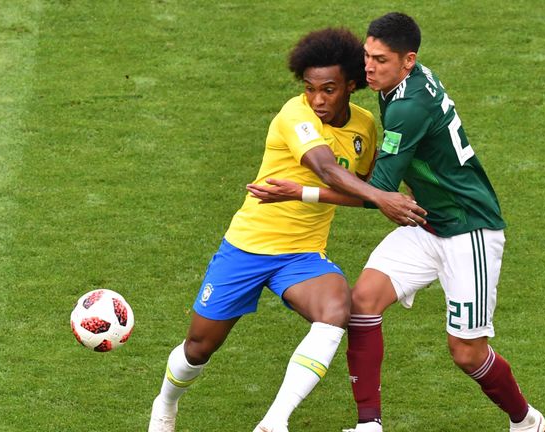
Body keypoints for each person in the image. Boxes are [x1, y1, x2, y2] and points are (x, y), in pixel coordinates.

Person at [247, 12, 545, 432]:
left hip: (468, 232)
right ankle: (369, 425)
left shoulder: (408, 106)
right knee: (362, 302)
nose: (368, 67)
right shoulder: (401, 83)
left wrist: (301, 192)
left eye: (380, 60)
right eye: (367, 56)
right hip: (427, 221)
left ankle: (527, 420)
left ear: (409, 60)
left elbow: (378, 195)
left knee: (467, 352)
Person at [147, 27, 426, 432]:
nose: (318, 99)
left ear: (351, 84)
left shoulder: (364, 127)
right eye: (311, 88)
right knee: (198, 347)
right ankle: (165, 403)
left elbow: (368, 191)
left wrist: (400, 194)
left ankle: (275, 421)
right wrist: (382, 199)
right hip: (246, 248)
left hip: (302, 256)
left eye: (329, 89)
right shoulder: (294, 115)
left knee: (336, 311)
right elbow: (327, 170)